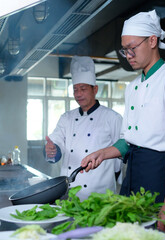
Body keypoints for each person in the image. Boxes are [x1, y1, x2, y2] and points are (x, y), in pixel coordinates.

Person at [80, 10, 165, 236]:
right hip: (132, 173)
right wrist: (102, 153)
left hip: (160, 175)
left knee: (157, 235)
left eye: (132, 48)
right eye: (124, 50)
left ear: (153, 41)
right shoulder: (132, 87)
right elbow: (128, 141)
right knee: (127, 234)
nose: (128, 55)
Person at [44, 56, 123, 201]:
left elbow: (120, 155)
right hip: (70, 194)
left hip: (100, 195)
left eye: (83, 89)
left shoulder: (113, 118)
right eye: (75, 89)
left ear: (95, 89)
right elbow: (56, 143)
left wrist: (112, 177)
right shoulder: (66, 118)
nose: (78, 94)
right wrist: (52, 150)